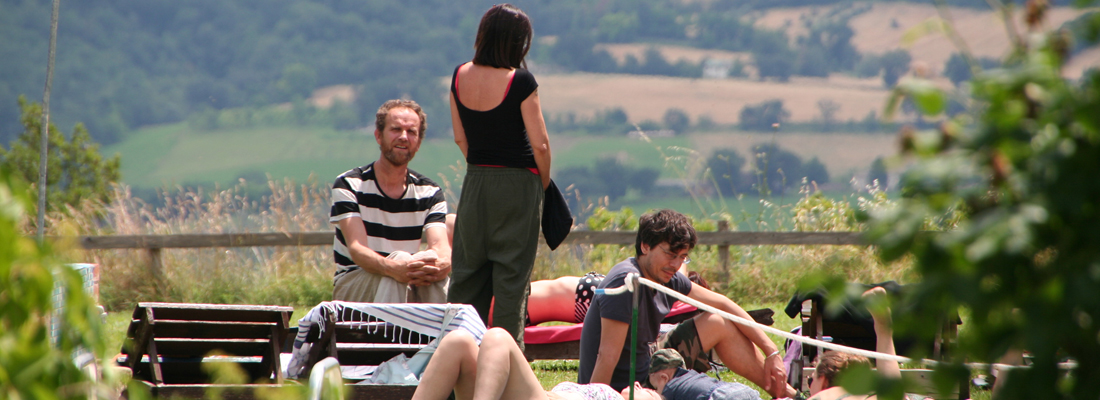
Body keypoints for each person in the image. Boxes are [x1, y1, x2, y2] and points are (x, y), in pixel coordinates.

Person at [578, 209, 796, 398]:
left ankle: (788, 395)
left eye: (683, 257)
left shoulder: (667, 277)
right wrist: (593, 397)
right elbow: (606, 356)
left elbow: (723, 305)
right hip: (626, 388)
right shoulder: (626, 281)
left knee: (717, 321)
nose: (676, 264)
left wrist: (772, 351)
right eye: (670, 254)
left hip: (650, 362)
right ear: (645, 246)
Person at [447, 3, 553, 347]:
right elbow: (540, 145)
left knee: (466, 277)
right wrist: (542, 184)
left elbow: (460, 137)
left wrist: (480, 166)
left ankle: (454, 364)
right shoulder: (521, 81)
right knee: (511, 281)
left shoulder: (458, 74)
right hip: (519, 184)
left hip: (475, 181)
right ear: (517, 42)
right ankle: (506, 369)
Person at [330, 99, 451, 303]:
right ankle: (388, 334)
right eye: (396, 129)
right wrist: (395, 267)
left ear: (418, 143)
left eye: (411, 132)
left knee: (429, 263)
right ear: (378, 136)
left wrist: (440, 264)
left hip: (406, 277)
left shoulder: (429, 192)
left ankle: (446, 333)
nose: (403, 137)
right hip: (354, 283)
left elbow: (440, 247)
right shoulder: (350, 184)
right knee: (401, 261)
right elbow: (357, 250)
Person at [411, 327, 663, 400]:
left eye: (652, 395)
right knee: (459, 341)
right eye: (646, 388)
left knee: (498, 336)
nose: (641, 386)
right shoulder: (607, 392)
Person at [806, 287, 910, 400]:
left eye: (810, 380)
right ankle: (884, 333)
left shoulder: (825, 395)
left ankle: (884, 333)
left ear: (823, 381)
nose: (809, 387)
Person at [647, 348, 763, 400]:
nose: (656, 391)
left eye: (655, 387)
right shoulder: (691, 375)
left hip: (719, 396)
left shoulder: (670, 389)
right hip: (738, 389)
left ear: (664, 377)